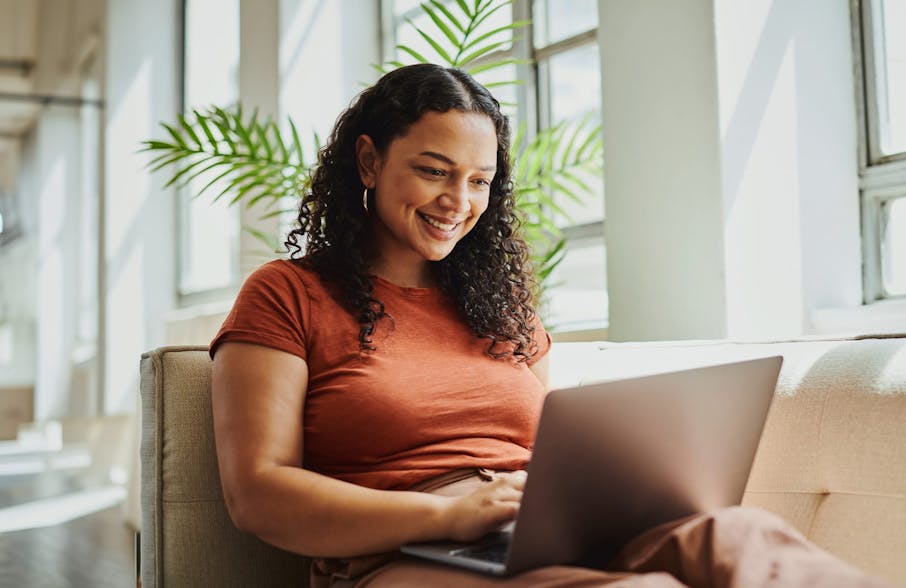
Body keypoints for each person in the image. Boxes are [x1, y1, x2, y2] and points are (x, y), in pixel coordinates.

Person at [209, 64, 892, 587]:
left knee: (744, 538)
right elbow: (258, 493)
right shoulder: (288, 295)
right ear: (368, 162)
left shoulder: (500, 307)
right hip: (400, 554)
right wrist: (447, 516)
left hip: (535, 527)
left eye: (480, 181)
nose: (459, 201)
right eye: (433, 171)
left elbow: (554, 447)